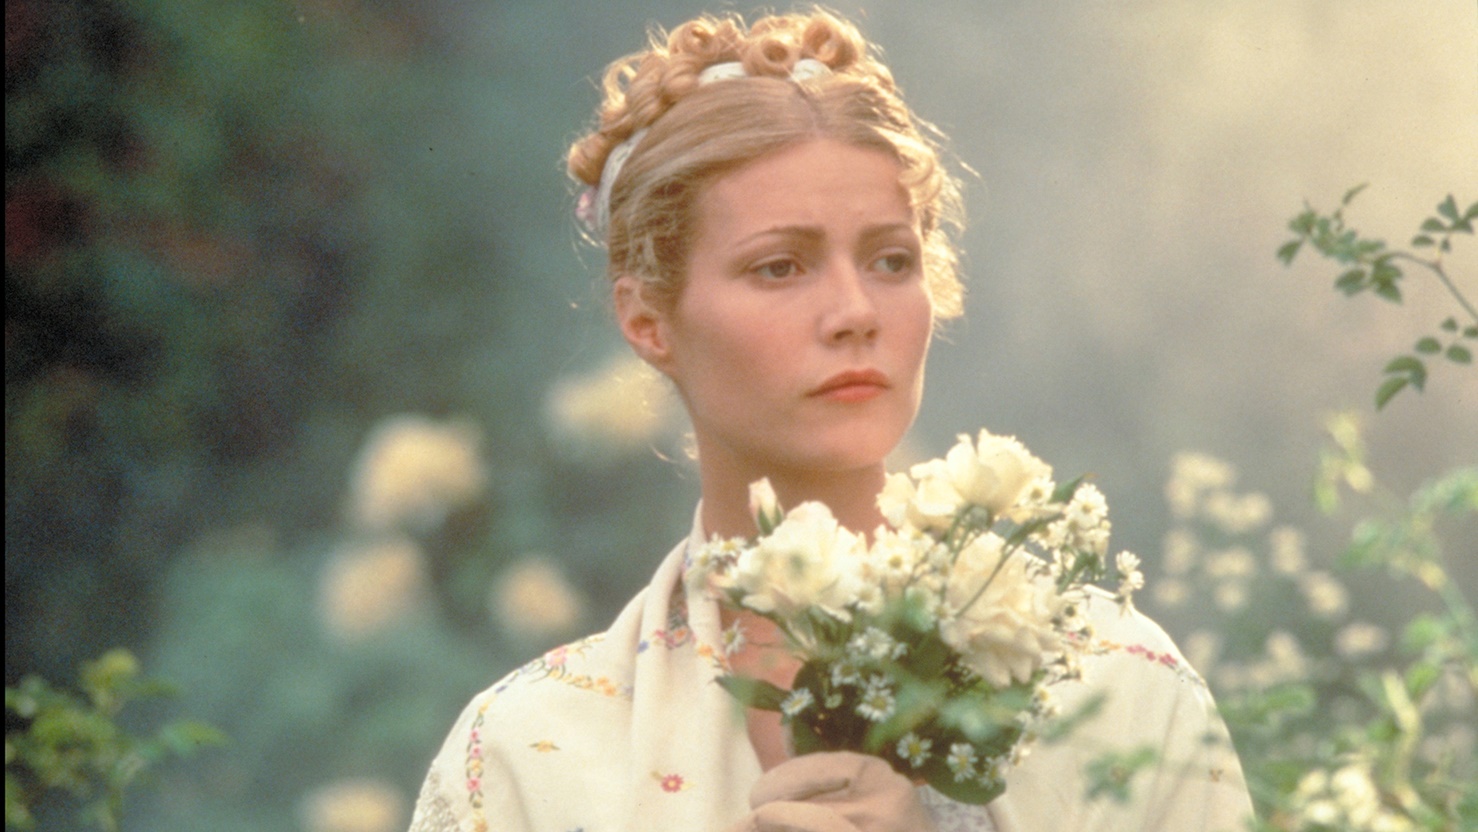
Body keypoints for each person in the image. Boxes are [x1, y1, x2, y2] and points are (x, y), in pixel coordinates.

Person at [409, 10, 1254, 832]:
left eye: (891, 260)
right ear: (648, 320)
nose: (855, 312)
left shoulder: (1120, 688)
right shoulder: (528, 758)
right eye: (780, 267)